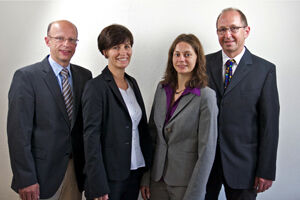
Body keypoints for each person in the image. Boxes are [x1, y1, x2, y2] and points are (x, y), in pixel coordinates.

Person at [7, 20, 92, 200]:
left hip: (75, 172)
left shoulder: (84, 76)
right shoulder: (26, 77)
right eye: (60, 38)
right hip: (40, 176)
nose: (66, 44)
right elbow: (18, 134)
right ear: (47, 41)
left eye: (72, 40)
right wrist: (25, 178)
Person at [205, 8, 280, 200]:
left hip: (244, 166)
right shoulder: (202, 64)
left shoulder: (264, 70)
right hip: (205, 164)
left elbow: (270, 125)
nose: (227, 35)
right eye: (222, 29)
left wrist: (266, 169)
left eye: (233, 28)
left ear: (246, 31)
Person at [140, 34, 218, 200]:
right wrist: (145, 177)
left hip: (186, 183)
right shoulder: (162, 90)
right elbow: (151, 136)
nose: (181, 59)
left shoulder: (206, 96)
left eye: (187, 54)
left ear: (198, 58)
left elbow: (207, 151)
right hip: (157, 180)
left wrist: (196, 193)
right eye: (177, 54)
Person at [82, 24, 152, 200]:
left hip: (135, 171)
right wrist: (97, 184)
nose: (123, 52)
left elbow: (140, 129)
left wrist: (146, 174)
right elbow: (91, 139)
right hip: (108, 177)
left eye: (127, 46)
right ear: (105, 52)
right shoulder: (95, 87)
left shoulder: (132, 83)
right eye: (116, 47)